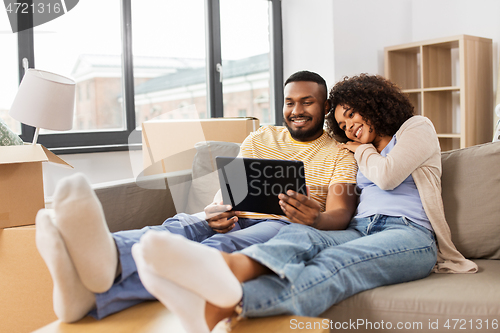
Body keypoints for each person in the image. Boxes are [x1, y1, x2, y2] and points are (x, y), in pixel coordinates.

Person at [130, 74, 478, 333]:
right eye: (343, 124)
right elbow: (342, 201)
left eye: (354, 115)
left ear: (374, 104)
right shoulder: (351, 152)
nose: (351, 128)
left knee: (336, 263)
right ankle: (225, 270)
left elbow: (387, 176)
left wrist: (362, 148)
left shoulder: (416, 128)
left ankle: (219, 305)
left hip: (409, 235)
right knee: (301, 237)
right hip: (361, 227)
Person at [35, 70, 359, 323]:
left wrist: (314, 218)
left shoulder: (339, 155)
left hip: (281, 227)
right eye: (290, 102)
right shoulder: (262, 136)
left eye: (307, 102)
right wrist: (214, 209)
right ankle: (109, 254)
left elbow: (341, 213)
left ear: (325, 106)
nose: (296, 110)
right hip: (235, 217)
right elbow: (232, 186)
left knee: (214, 249)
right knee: (180, 226)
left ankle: (93, 296)